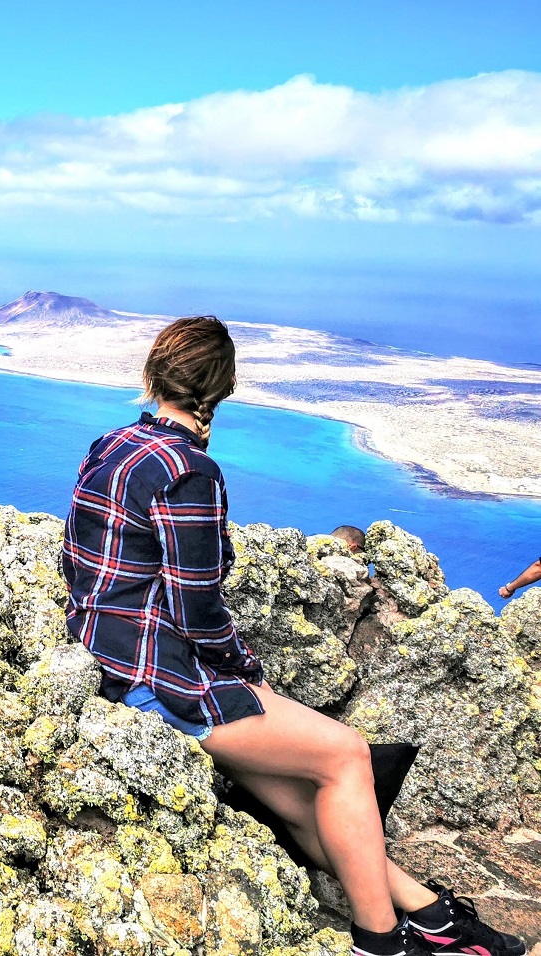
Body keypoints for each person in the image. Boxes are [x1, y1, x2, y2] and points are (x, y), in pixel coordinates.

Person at [61, 316, 526, 956]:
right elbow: (197, 609)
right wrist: (246, 668)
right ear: (222, 389)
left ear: (153, 376)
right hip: (158, 679)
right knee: (347, 756)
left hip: (105, 655)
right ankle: (380, 942)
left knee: (313, 801)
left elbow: (81, 561)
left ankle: (432, 916)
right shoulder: (188, 472)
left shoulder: (110, 446)